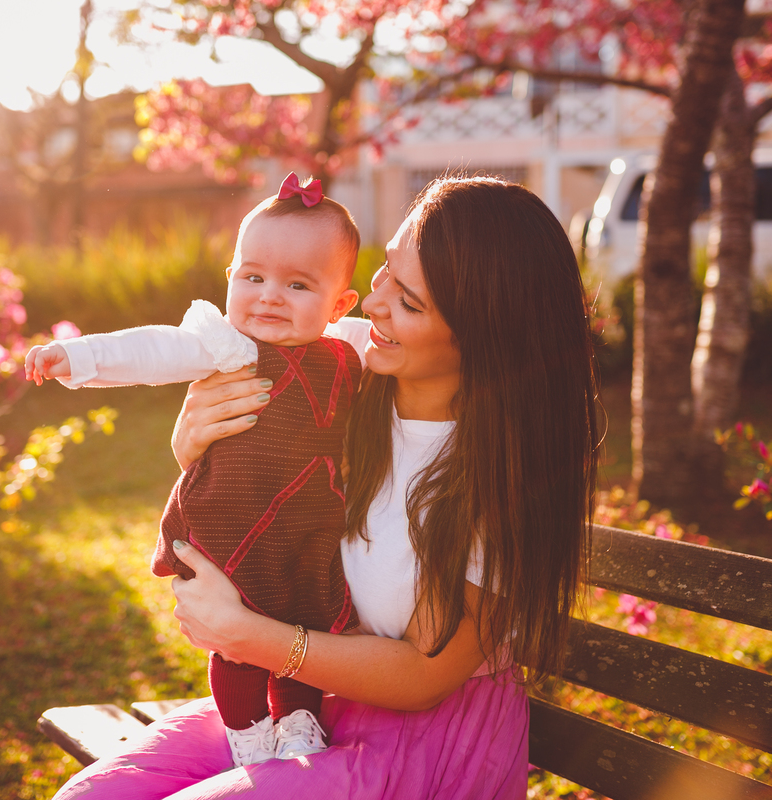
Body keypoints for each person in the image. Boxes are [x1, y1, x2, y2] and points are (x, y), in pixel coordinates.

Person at [50, 176, 600, 799]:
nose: (374, 302)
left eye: (411, 303)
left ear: (481, 337)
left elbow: (424, 676)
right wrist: (192, 444)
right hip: (312, 703)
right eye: (387, 270)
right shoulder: (343, 374)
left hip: (421, 736)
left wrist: (246, 636)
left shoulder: (499, 479)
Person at [26, 173, 365, 766]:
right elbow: (151, 350)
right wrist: (78, 356)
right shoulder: (225, 345)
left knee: (305, 619)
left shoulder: (349, 352)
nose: (269, 296)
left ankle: (300, 718)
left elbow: (409, 350)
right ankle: (248, 732)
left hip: (309, 529)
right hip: (227, 526)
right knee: (234, 642)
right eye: (253, 277)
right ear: (231, 278)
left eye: (298, 284)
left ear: (338, 305)